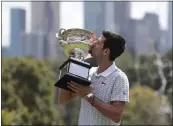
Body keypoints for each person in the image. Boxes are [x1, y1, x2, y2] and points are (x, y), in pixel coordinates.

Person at [58, 30, 129, 125]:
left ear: (106, 51)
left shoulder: (119, 77)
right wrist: (72, 64)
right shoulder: (88, 71)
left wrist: (88, 96)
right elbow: (63, 99)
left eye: (98, 42)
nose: (93, 43)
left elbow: (116, 115)